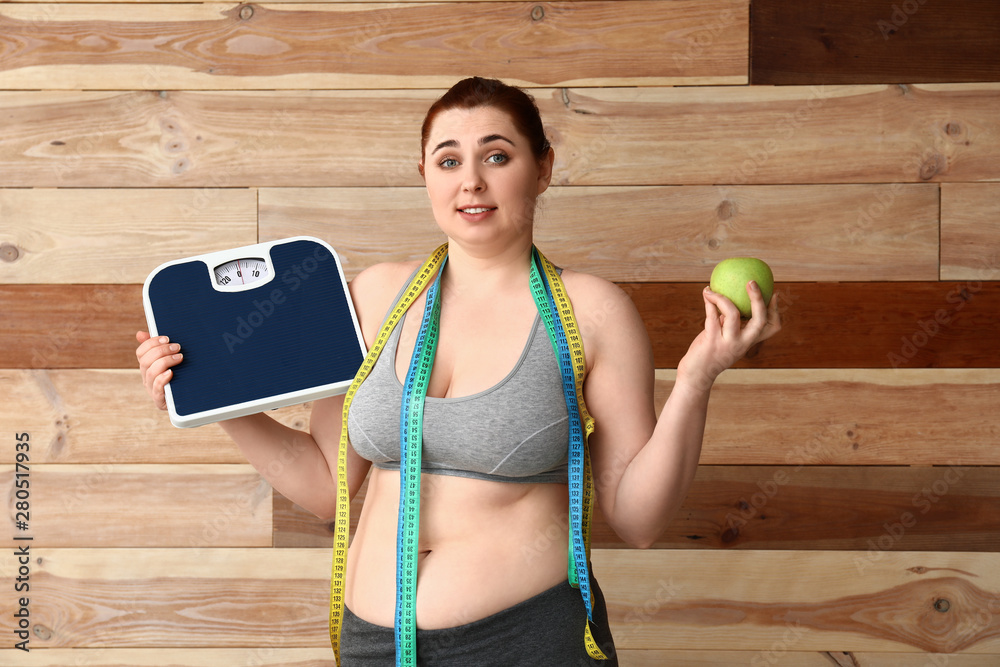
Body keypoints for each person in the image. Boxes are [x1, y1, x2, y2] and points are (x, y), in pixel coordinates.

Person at [136, 76, 781, 665]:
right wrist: (211, 397)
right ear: (425, 175)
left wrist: (697, 379)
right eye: (449, 161)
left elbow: (637, 521)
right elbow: (324, 484)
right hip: (373, 648)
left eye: (496, 156)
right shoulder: (373, 298)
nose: (470, 181)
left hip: (527, 643)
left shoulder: (592, 310)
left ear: (543, 167)